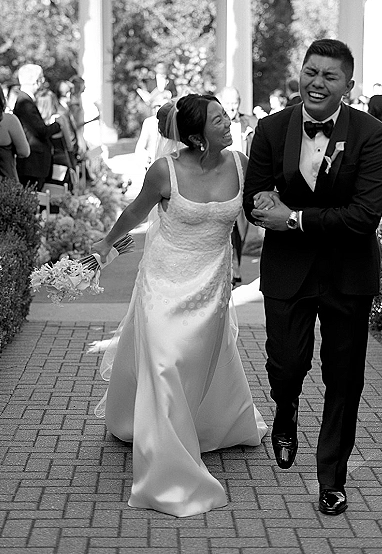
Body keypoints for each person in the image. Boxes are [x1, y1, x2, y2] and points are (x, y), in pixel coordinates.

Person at [92, 94, 267, 517]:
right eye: (218, 119)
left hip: (211, 287)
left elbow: (258, 214)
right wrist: (102, 253)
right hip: (162, 282)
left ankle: (208, 422)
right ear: (195, 136)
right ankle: (168, 471)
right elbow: (133, 216)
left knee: (199, 362)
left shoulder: (241, 164)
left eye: (226, 115)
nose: (228, 123)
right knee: (166, 365)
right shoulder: (163, 171)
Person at [243, 39, 382, 517]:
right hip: (287, 271)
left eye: (329, 75)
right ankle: (285, 409)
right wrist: (266, 208)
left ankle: (332, 478)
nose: (317, 82)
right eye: (311, 71)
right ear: (299, 74)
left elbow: (364, 215)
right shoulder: (270, 128)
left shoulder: (370, 133)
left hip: (349, 273)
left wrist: (295, 218)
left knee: (343, 379)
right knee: (285, 364)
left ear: (348, 84)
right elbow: (255, 200)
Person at [217, 86, 258, 285]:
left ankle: (236, 263)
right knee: (227, 226)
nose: (232, 107)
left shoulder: (250, 123)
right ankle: (230, 268)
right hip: (220, 182)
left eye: (235, 102)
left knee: (241, 227)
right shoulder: (214, 123)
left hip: (244, 182)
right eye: (228, 102)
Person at [13, 64, 60, 190]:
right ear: (36, 81)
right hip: (32, 164)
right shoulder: (25, 102)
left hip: (34, 164)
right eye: (41, 78)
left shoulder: (26, 100)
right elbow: (41, 131)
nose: (43, 82)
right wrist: (57, 124)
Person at [36, 88, 77, 188]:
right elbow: (68, 144)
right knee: (63, 190)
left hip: (43, 163)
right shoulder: (59, 119)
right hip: (60, 159)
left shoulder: (37, 123)